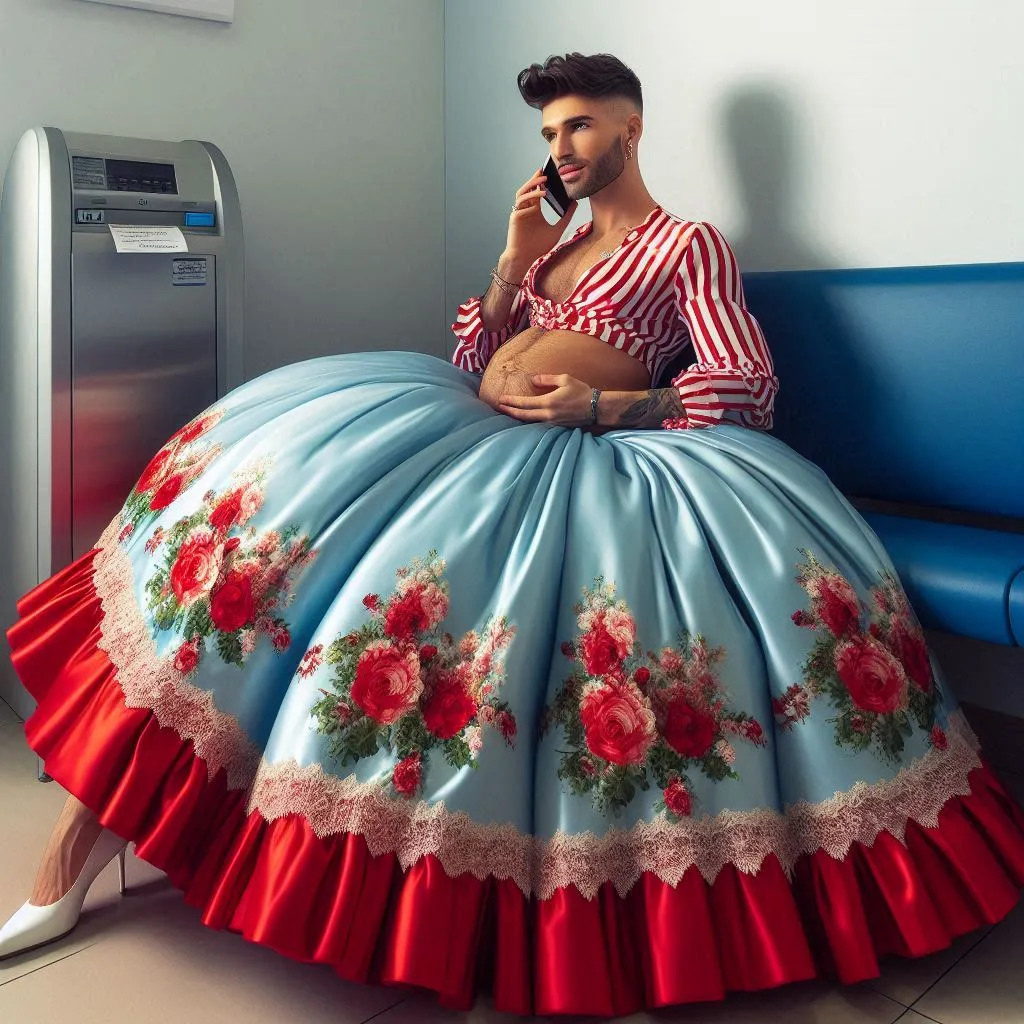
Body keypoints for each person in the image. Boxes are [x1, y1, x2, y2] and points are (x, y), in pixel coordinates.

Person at [2, 52, 1023, 1017]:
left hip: (597, 457)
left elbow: (747, 386)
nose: (564, 147)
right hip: (466, 426)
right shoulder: (557, 242)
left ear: (633, 125)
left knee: (477, 648)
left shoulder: (687, 243)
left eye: (581, 124)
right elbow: (470, 349)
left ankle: (519, 922)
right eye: (549, 130)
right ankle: (73, 860)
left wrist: (603, 407)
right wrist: (508, 265)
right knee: (266, 564)